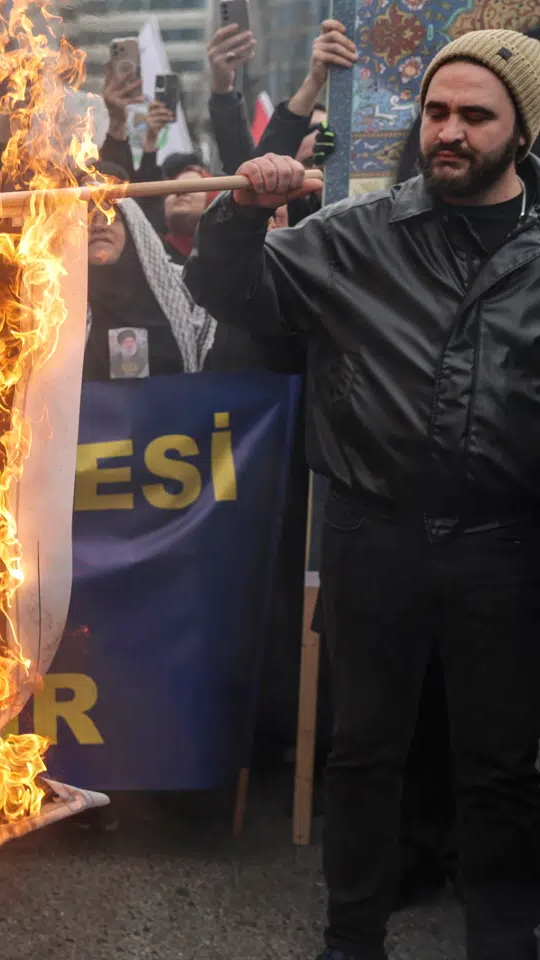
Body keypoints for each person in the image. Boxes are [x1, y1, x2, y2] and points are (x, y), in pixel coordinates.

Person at [184, 30, 540, 960]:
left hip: (505, 548)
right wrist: (242, 209)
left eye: (475, 116)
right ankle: (350, 941)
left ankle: (504, 941)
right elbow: (229, 289)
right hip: (372, 538)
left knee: (502, 767)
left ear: (521, 131)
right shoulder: (358, 233)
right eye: (436, 112)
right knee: (363, 755)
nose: (449, 131)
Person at [83, 164, 214, 381]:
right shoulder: (49, 308)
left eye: (111, 217)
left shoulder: (187, 290)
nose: (99, 226)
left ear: (133, 228)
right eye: (87, 219)